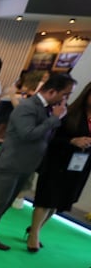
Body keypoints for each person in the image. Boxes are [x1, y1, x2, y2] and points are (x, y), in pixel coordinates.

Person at [0, 73, 76, 254]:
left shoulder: (47, 108)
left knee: (6, 202)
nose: (66, 99)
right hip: (9, 164)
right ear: (52, 91)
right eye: (65, 94)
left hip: (25, 165)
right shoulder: (27, 106)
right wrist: (54, 119)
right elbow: (28, 134)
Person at [25, 81, 91, 251]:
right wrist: (72, 141)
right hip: (57, 162)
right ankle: (33, 236)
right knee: (46, 200)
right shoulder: (69, 113)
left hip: (79, 166)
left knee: (58, 202)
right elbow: (50, 138)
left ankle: (36, 230)